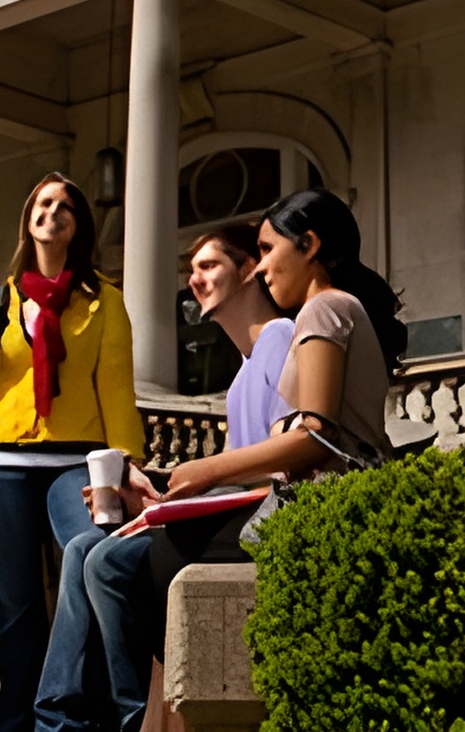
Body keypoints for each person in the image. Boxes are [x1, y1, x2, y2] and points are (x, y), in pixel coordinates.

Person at [35, 223, 294, 732]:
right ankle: (67, 719)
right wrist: (151, 497)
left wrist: (196, 482)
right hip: (228, 511)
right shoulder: (242, 371)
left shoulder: (281, 337)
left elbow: (283, 457)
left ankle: (124, 719)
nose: (195, 279)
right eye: (191, 270)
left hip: (261, 514)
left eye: (208, 266)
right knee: (83, 551)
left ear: (248, 269)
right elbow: (224, 474)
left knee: (106, 562)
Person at [145, 189, 406, 647]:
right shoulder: (323, 313)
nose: (261, 266)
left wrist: (206, 470)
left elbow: (318, 436)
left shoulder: (325, 309)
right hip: (316, 499)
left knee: (169, 549)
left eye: (268, 250)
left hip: (327, 501)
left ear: (309, 245)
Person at [0, 172, 147, 732]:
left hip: (75, 462)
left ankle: (73, 717)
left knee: (90, 556)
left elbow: (116, 388)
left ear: (77, 225)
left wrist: (126, 461)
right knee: (17, 615)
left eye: (65, 206)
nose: (52, 212)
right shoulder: (0, 298)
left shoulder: (103, 301)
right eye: (43, 203)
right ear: (29, 218)